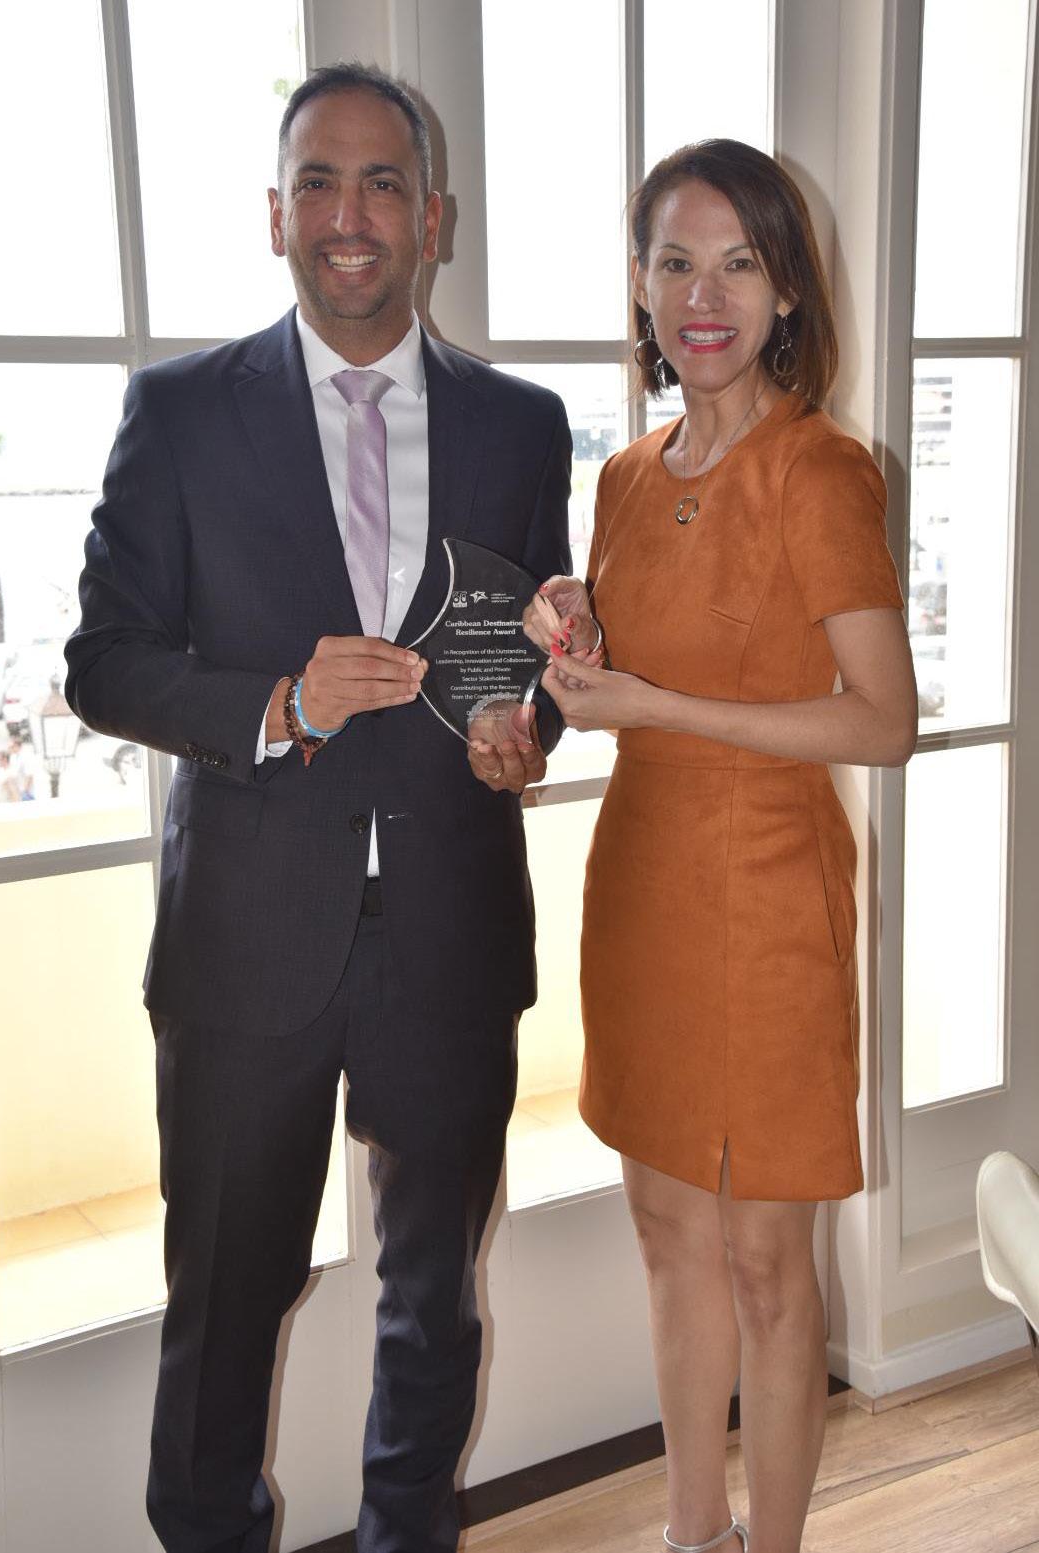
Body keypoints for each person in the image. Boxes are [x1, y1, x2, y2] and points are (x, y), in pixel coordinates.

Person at [65, 63, 571, 1553]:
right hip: (243, 943)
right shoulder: (177, 413)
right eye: (320, 183)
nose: (351, 214)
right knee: (225, 1304)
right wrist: (279, 704)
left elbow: (530, 652)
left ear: (434, 218)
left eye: (383, 184)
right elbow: (104, 661)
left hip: (449, 937)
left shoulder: (522, 424)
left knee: (433, 1302)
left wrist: (526, 730)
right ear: (276, 214)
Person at [526, 140, 917, 1553]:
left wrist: (653, 704)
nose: (706, 296)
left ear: (787, 291)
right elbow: (638, 659)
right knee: (667, 1233)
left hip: (767, 898)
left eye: (739, 263)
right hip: (643, 886)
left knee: (765, 1260)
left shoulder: (822, 470)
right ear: (639, 285)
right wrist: (578, 628)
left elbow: (883, 722)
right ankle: (696, 1533)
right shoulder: (626, 477)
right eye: (676, 263)